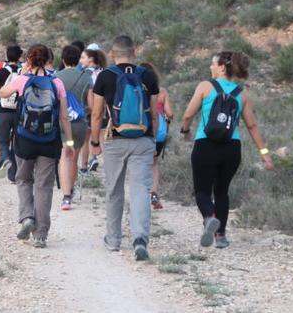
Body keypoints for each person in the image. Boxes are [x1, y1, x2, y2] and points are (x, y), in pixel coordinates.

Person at [180, 51, 273, 249]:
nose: (210, 67)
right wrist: (265, 154)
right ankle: (221, 236)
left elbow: (188, 115)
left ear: (222, 67)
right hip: (232, 148)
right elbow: (252, 126)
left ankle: (209, 217)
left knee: (202, 191)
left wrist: (185, 131)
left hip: (205, 144)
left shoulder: (205, 86)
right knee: (222, 191)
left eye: (213, 64)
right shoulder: (242, 94)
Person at [89, 35, 158, 261]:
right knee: (140, 190)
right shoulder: (147, 75)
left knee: (114, 190)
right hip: (143, 139)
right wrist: (153, 140)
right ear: (134, 52)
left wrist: (95, 142)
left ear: (112, 53)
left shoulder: (105, 76)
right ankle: (140, 239)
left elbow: (97, 113)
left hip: (115, 139)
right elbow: (154, 113)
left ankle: (114, 239)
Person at [0, 44, 74, 249]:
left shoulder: (23, 80)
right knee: (44, 186)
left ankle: (27, 218)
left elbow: (3, 94)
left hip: (25, 139)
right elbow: (64, 116)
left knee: (23, 179)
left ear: (29, 60)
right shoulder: (56, 82)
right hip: (49, 141)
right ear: (49, 59)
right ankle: (40, 235)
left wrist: (20, 74)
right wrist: (69, 141)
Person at [57, 45, 93, 210]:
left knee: (65, 156)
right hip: (80, 123)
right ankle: (70, 190)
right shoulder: (87, 78)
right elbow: (91, 106)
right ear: (78, 59)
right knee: (74, 156)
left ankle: (65, 197)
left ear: (63, 60)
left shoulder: (56, 78)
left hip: (62, 124)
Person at [140, 62, 174, 210]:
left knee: (140, 163)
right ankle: (154, 194)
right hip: (159, 133)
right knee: (154, 163)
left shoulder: (137, 90)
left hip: (142, 131)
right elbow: (170, 114)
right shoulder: (162, 92)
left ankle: (140, 195)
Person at [0, 45, 23, 182]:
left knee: (2, 140)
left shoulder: (2, 72)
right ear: (20, 56)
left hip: (3, 111)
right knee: (16, 143)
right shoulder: (23, 72)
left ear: (7, 55)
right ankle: (13, 175)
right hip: (19, 112)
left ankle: (5, 158)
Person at [79, 48, 107, 174]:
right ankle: (108, 169)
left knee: (86, 139)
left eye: (83, 58)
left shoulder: (85, 74)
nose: (80, 61)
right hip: (103, 110)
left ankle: (84, 167)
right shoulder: (104, 72)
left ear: (90, 59)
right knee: (102, 139)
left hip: (88, 110)